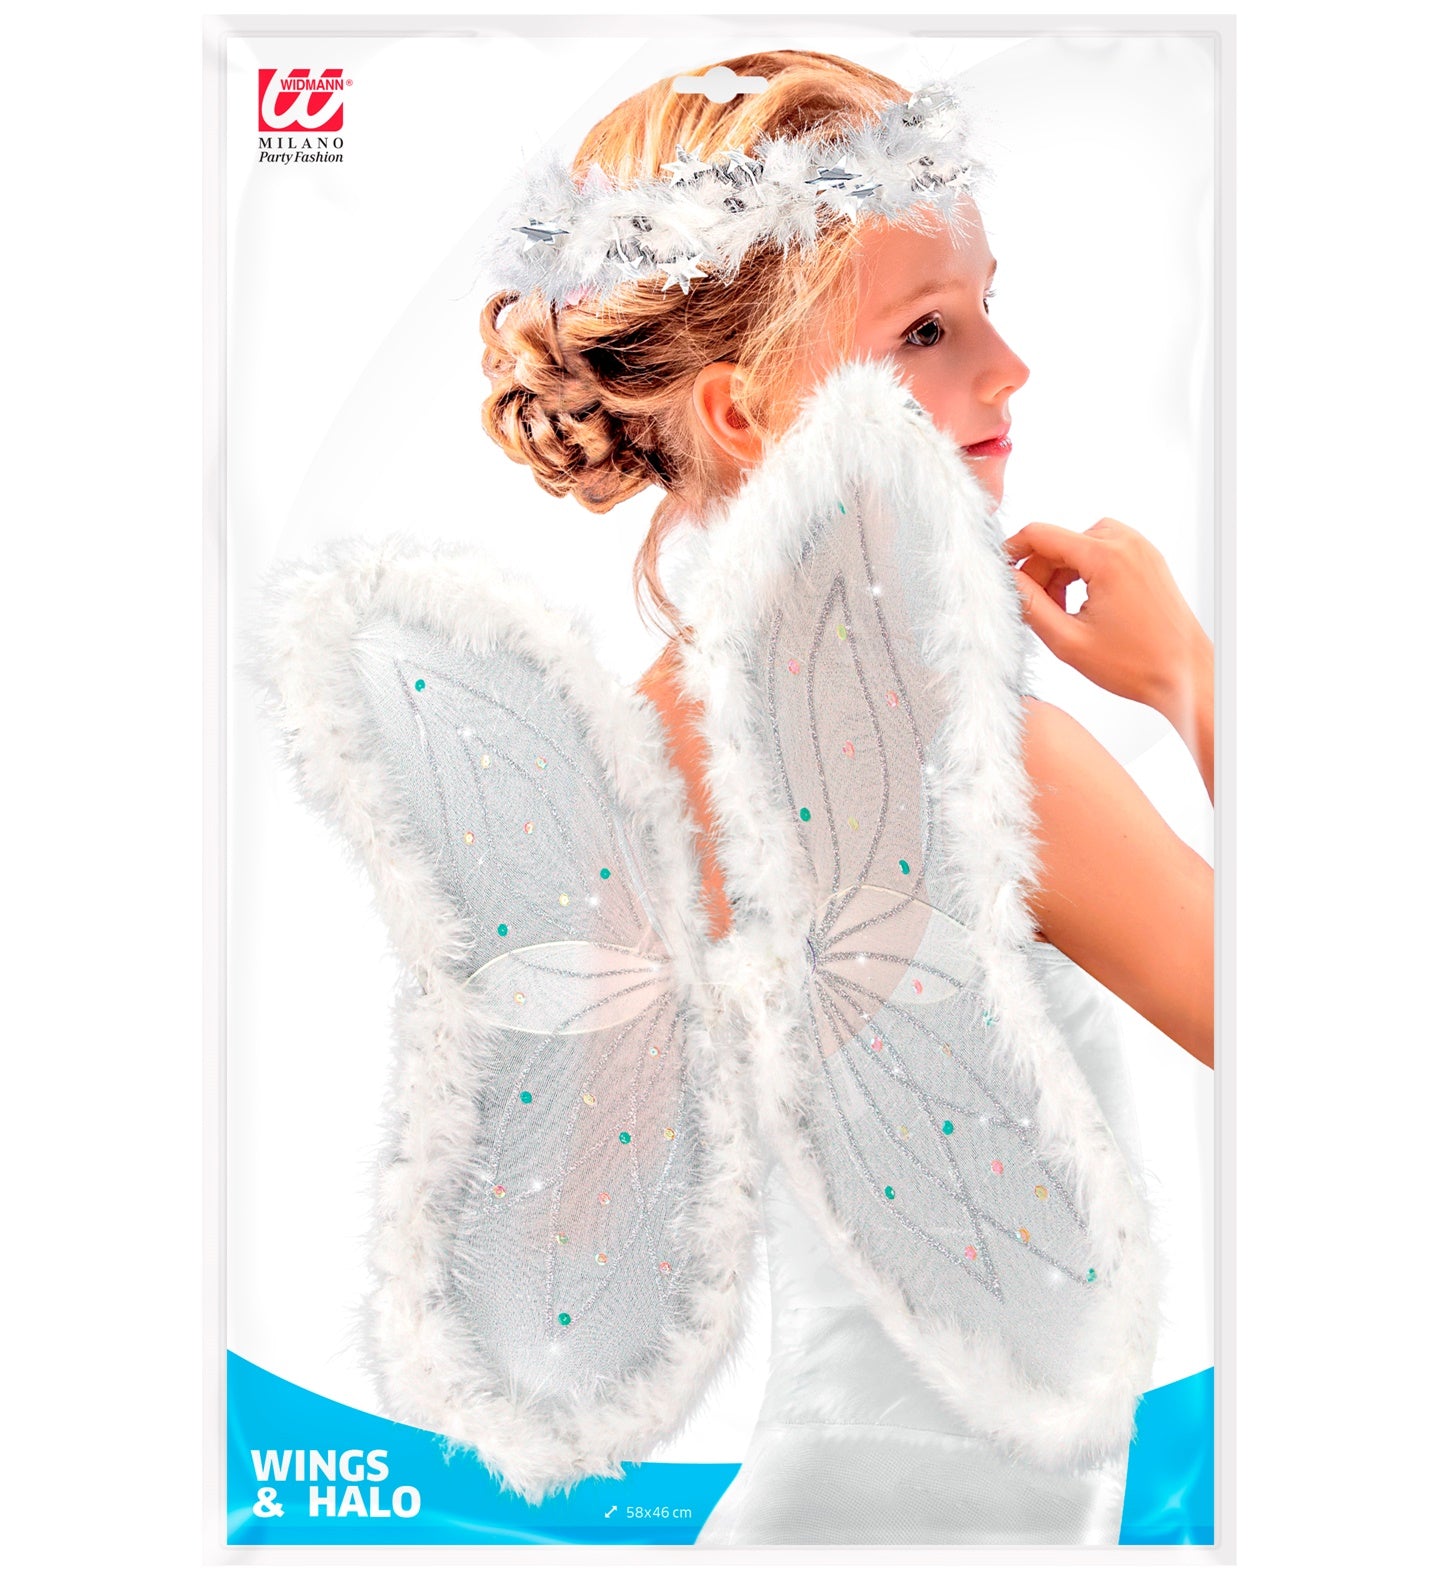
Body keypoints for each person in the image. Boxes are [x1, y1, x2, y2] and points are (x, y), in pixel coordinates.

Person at [478, 48, 1213, 1544]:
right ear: (747, 413)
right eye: (927, 329)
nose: (1007, 368)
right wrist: (1191, 684)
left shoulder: (627, 751)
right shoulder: (973, 766)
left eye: (988, 304)